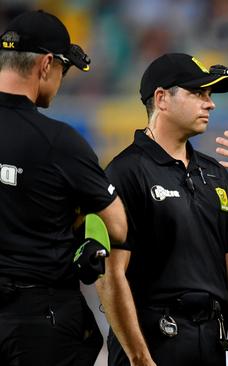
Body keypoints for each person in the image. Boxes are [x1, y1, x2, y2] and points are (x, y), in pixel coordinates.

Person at [96, 53, 228, 366]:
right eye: (198, 93)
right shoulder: (126, 172)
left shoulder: (215, 174)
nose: (210, 104)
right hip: (152, 342)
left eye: (209, 95)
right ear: (162, 99)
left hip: (209, 342)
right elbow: (110, 276)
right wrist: (140, 358)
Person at [0, 9, 127, 366]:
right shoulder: (60, 142)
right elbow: (117, 226)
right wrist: (82, 228)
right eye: (63, 70)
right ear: (45, 65)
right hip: (39, 320)